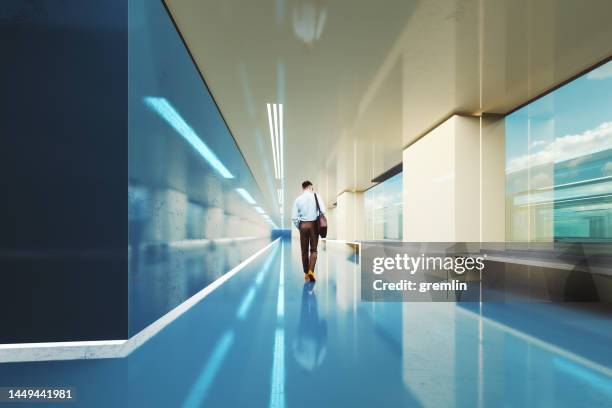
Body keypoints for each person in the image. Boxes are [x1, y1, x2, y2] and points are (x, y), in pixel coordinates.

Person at [291, 181, 326, 281]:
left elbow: (294, 218)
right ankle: (311, 271)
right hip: (314, 225)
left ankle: (306, 273)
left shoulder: (297, 199)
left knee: (304, 251)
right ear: (310, 187)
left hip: (303, 225)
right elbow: (323, 210)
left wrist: (300, 227)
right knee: (314, 250)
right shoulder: (316, 196)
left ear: (303, 188)